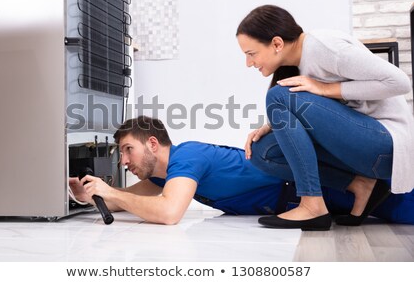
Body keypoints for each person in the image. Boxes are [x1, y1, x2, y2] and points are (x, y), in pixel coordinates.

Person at [236, 4, 414, 230]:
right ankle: (361, 185)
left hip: (387, 145)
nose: (248, 63)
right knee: (264, 152)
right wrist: (271, 126)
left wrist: (325, 88)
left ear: (277, 44)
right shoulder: (299, 64)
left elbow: (399, 82)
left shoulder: (325, 48)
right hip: (363, 148)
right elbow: (325, 112)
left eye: (251, 54)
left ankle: (312, 206)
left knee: (278, 96)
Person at [69, 116, 414, 226]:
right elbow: (126, 201)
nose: (124, 160)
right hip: (294, 198)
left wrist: (111, 191)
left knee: (402, 208)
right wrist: (89, 197)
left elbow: (170, 212)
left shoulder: (187, 157)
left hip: (311, 188)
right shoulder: (163, 176)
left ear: (154, 144)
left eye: (128, 149)